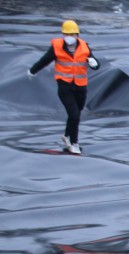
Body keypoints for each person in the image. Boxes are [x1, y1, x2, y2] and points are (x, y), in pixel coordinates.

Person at [27, 20, 100, 155]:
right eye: (67, 34)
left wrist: (94, 63)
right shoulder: (57, 47)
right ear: (63, 34)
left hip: (80, 87)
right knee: (74, 114)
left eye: (72, 34)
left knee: (76, 114)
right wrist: (33, 70)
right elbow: (45, 60)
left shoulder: (84, 47)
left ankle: (67, 136)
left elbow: (95, 65)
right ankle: (74, 143)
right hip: (64, 86)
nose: (69, 37)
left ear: (77, 35)